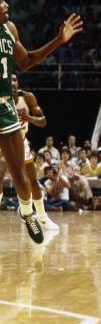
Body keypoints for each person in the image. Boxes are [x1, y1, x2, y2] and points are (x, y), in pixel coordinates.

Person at [0, 0, 83, 242]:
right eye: (0, 1)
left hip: (4, 108)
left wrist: (59, 40)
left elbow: (26, 62)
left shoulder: (9, 29)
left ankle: (27, 212)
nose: (7, 3)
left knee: (20, 177)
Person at [0, 74, 59, 231]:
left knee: (33, 181)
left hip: (21, 142)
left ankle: (42, 217)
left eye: (15, 80)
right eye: (9, 80)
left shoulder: (27, 97)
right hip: (2, 142)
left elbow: (43, 121)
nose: (12, 82)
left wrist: (28, 117)